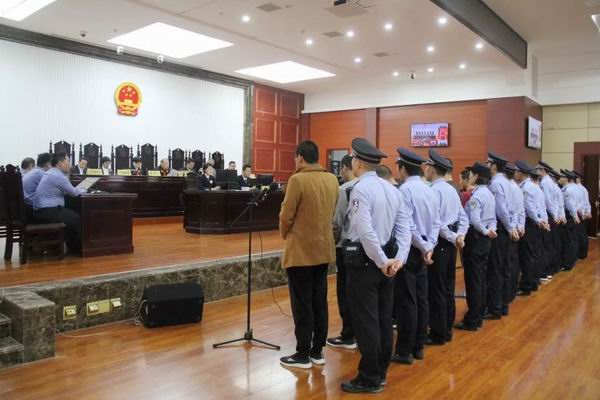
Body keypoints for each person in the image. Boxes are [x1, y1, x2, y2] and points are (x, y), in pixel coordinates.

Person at [340, 138, 411, 394]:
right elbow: (404, 229)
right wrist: (398, 260)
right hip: (388, 263)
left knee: (366, 321)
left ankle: (369, 377)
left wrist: (381, 261)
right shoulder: (393, 190)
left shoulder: (361, 189)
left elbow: (364, 230)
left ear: (358, 163)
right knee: (383, 319)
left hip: (367, 263)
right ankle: (380, 372)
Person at [278, 141, 339, 370]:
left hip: (301, 251)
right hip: (323, 249)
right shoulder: (332, 179)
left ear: (300, 158)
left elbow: (286, 215)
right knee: (319, 301)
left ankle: (302, 353)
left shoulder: (297, 180)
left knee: (302, 303)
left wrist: (285, 233)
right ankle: (317, 351)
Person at [392, 148, 440, 365]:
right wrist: (429, 246)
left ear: (403, 168)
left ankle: (404, 350)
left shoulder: (405, 190)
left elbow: (407, 226)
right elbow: (437, 222)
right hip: (425, 250)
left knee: (407, 301)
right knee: (421, 299)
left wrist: (422, 246)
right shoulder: (429, 189)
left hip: (411, 250)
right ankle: (419, 346)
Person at [423, 150, 468, 345]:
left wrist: (453, 236)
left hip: (440, 242)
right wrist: (459, 236)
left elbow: (437, 223)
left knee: (437, 289)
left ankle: (438, 332)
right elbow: (463, 217)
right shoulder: (451, 190)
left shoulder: (433, 191)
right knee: (448, 288)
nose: (425, 169)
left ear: (432, 169)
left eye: (427, 166)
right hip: (451, 245)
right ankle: (447, 328)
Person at [455, 162, 496, 331]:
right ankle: (478, 315)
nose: (469, 176)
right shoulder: (489, 194)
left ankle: (473, 318)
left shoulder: (476, 196)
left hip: (476, 239)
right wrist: (491, 230)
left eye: (471, 174)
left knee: (473, 281)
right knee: (481, 278)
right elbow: (492, 219)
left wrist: (485, 231)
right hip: (485, 240)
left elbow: (474, 220)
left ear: (476, 176)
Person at [327, 154, 358, 350]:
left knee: (345, 291)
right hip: (368, 249)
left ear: (346, 168)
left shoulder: (345, 189)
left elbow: (336, 223)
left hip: (346, 247)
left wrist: (332, 244)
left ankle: (348, 335)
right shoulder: (375, 187)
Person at [485, 152, 518, 319]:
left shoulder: (496, 183)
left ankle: (495, 308)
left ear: (494, 166)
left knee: (496, 270)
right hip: (507, 229)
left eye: (488, 163)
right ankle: (503, 305)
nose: (486, 165)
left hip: (500, 229)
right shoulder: (507, 183)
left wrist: (510, 228)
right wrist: (513, 227)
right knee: (505, 269)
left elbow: (501, 210)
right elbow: (513, 209)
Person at [33, 152, 86, 253]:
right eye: (68, 161)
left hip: (42, 210)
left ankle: (67, 246)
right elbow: (74, 193)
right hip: (47, 211)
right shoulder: (58, 175)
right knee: (76, 218)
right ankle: (77, 249)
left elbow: (66, 191)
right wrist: (84, 189)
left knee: (72, 213)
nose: (70, 164)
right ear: (60, 163)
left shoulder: (51, 172)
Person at [514, 161, 549, 296]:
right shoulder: (536, 187)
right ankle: (533, 282)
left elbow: (529, 208)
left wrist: (538, 221)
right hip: (537, 225)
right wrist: (543, 221)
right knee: (534, 254)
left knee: (526, 256)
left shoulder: (525, 188)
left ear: (521, 173)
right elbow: (542, 208)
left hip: (529, 224)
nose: (515, 174)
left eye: (517, 171)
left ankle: (526, 285)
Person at [537, 161, 562, 281]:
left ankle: (545, 271)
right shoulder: (550, 182)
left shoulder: (545, 183)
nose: (536, 172)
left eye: (538, 169)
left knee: (545, 245)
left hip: (548, 214)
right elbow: (555, 201)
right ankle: (550, 269)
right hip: (552, 214)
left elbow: (546, 201)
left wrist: (552, 215)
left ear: (543, 170)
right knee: (550, 244)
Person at [504, 163, 525, 302]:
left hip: (508, 229)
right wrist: (520, 226)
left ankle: (507, 294)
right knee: (513, 261)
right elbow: (521, 210)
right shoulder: (517, 188)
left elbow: (506, 211)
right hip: (515, 227)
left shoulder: (507, 187)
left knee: (506, 264)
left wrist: (512, 228)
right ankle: (512, 292)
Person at [559, 170, 581, 271]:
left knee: (567, 240)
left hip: (569, 215)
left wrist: (574, 216)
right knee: (572, 238)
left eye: (562, 177)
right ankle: (572, 259)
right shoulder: (574, 188)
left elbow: (570, 204)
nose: (560, 179)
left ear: (566, 179)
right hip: (573, 215)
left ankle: (568, 263)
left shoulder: (567, 190)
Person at [572, 171, 591, 259]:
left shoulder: (579, 189)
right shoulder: (583, 188)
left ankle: (580, 253)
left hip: (579, 213)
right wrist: (587, 212)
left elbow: (581, 203)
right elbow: (586, 202)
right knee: (582, 234)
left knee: (579, 235)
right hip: (582, 213)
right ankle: (582, 254)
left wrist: (583, 213)